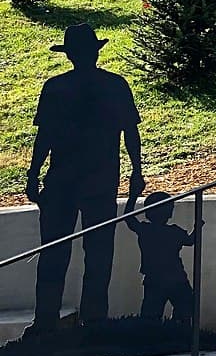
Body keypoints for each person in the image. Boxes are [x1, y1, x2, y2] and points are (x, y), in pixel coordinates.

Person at [26, 24, 143, 334]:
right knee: (97, 253)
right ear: (94, 52)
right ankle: (91, 320)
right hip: (97, 181)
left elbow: (44, 138)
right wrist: (136, 171)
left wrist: (33, 173)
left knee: (55, 252)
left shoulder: (56, 87)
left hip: (64, 182)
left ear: (71, 55)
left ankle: (47, 322)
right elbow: (130, 133)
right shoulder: (114, 85)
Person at [124, 191, 198, 323]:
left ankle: (155, 337)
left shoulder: (145, 230)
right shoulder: (174, 232)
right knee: (184, 310)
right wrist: (198, 226)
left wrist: (133, 196)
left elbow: (128, 218)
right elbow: (190, 241)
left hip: (155, 277)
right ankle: (178, 334)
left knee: (151, 314)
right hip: (175, 277)